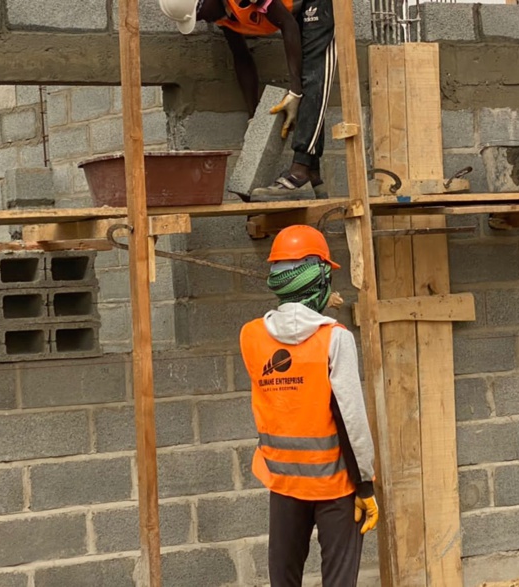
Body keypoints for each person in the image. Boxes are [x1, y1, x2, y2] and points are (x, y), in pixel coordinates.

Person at [238, 224, 378, 587]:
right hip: (335, 486)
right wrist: (365, 486)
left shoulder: (251, 336)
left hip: (283, 484)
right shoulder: (334, 339)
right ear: (319, 282)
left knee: (283, 580)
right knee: (338, 580)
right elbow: (350, 418)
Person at [158, 0, 336, 200]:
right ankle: (312, 173)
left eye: (200, 13)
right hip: (297, 11)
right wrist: (253, 116)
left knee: (313, 75)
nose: (203, 20)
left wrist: (295, 92)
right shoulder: (221, 15)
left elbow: (288, 24)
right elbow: (241, 57)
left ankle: (300, 171)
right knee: (306, 77)